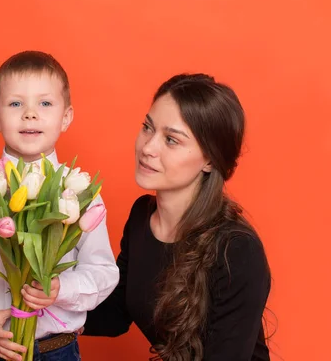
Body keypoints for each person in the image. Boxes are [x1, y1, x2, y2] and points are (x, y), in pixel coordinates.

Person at [0, 51, 119, 361]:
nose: (30, 114)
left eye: (45, 103)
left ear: (66, 116)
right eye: (16, 104)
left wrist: (61, 288)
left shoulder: (80, 191)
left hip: (56, 349)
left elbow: (103, 271)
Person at [83, 73, 271, 360]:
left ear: (209, 159)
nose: (147, 148)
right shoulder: (141, 216)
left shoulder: (237, 249)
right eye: (147, 127)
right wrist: (46, 307)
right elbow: (115, 313)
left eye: (171, 140)